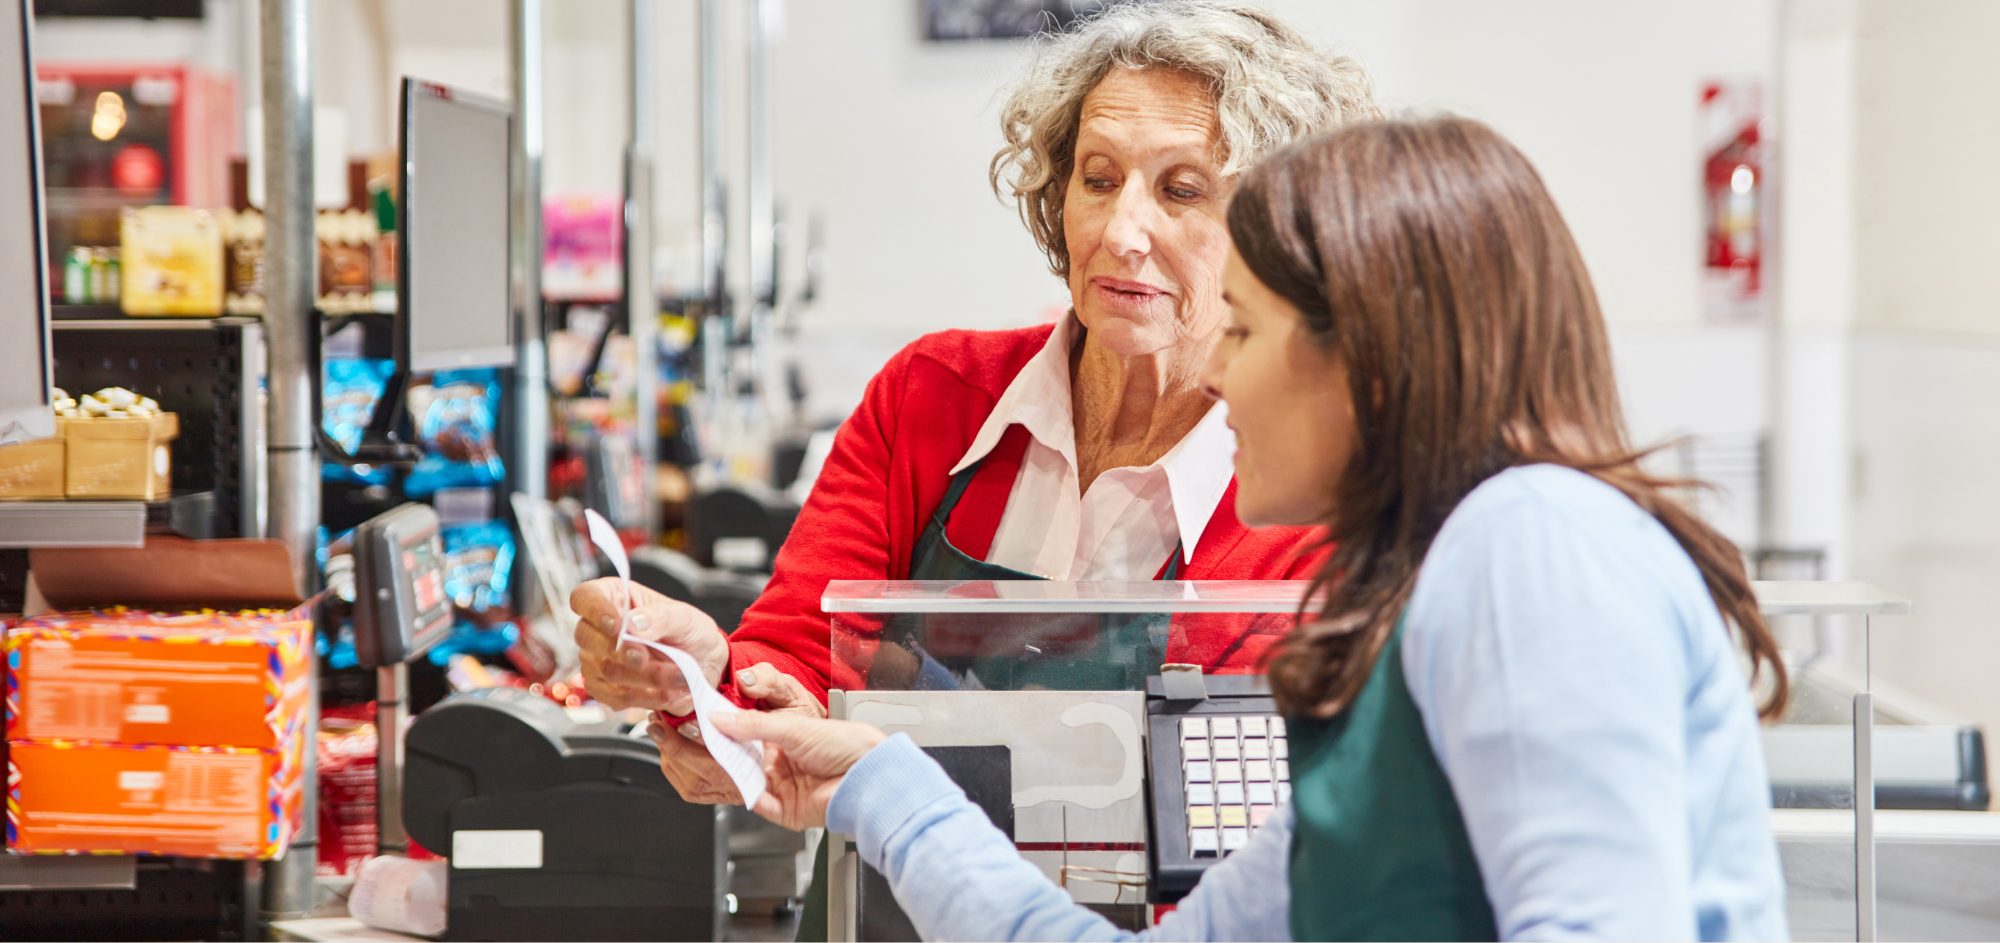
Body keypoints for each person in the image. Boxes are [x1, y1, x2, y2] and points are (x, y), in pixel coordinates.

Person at [711, 116, 1794, 941]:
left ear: (1367, 360)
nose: (1219, 376)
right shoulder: (1413, 620)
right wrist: (881, 785)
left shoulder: (1533, 541)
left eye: (1242, 329)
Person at [571, 0, 1378, 803]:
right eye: (1098, 180)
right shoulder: (931, 395)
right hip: (886, 886)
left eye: (1183, 190)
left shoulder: (1308, 494)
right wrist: (706, 682)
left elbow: (1250, 812)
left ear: (1280, 235)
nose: (1120, 231)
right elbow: (797, 658)